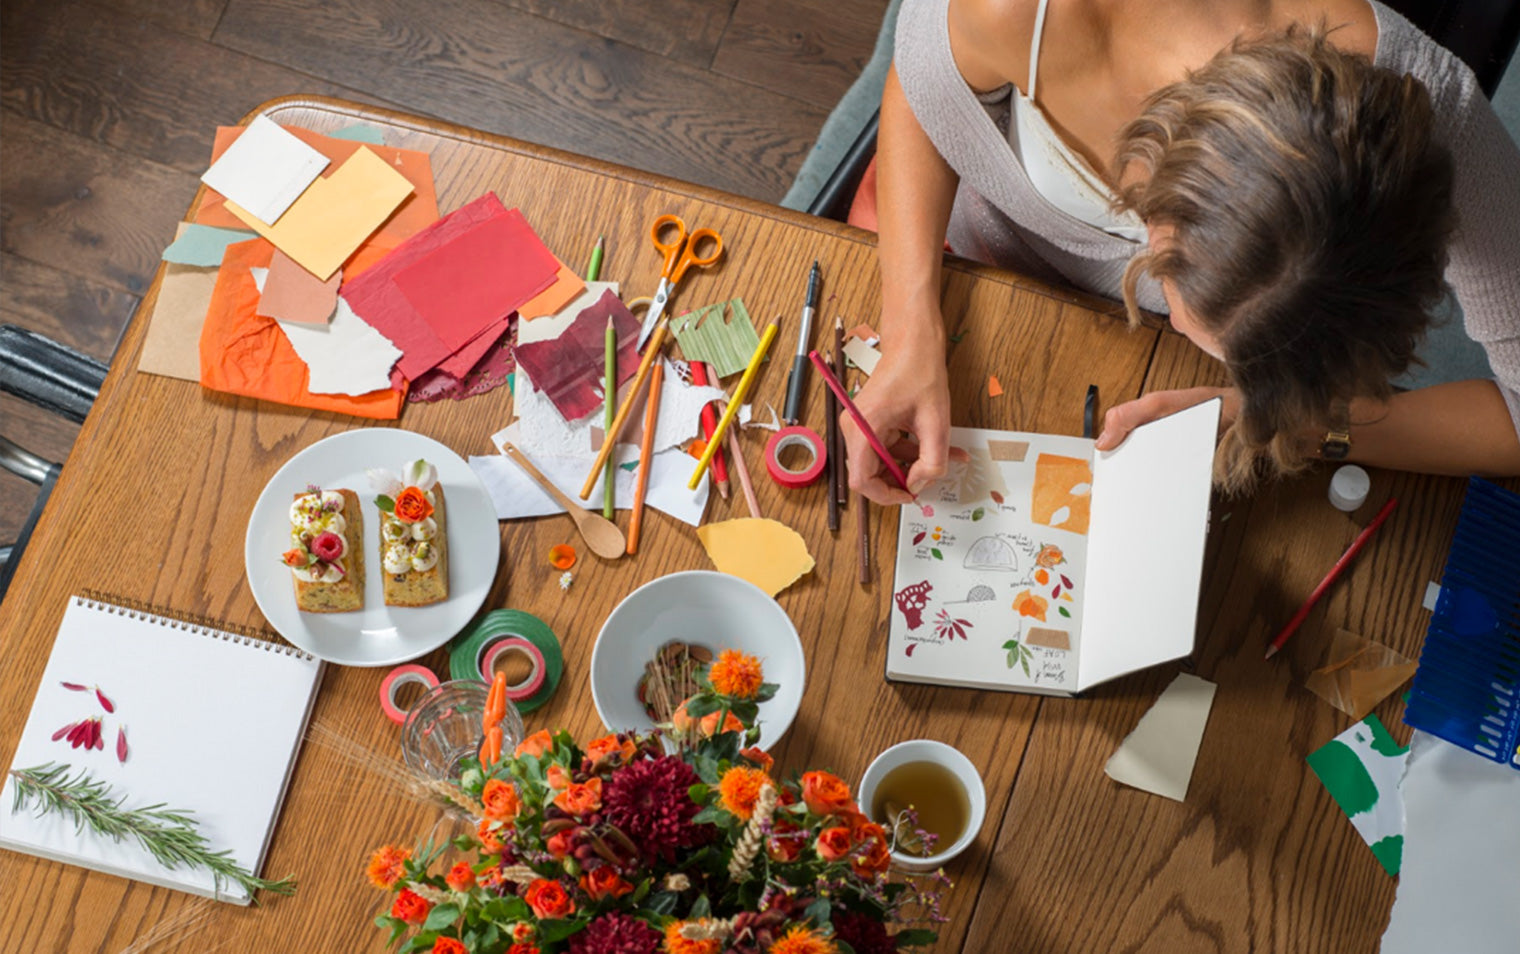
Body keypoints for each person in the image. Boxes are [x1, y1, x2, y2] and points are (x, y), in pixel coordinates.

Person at [844, 0, 1520, 503]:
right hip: (967, 268)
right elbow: (922, 86)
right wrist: (909, 329)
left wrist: (1287, 423)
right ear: (1160, 182)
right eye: (1172, 285)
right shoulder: (1022, 13)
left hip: (1125, 367)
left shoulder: (1433, 124)